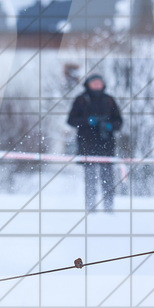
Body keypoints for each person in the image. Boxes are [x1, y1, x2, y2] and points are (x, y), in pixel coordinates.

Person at [67, 74, 123, 212]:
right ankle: (91, 208)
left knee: (107, 179)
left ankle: (109, 208)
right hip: (87, 145)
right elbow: (71, 120)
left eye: (100, 83)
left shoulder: (109, 100)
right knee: (90, 179)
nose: (97, 85)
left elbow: (119, 122)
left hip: (107, 145)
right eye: (94, 83)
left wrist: (109, 125)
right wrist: (87, 121)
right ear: (88, 84)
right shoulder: (81, 100)